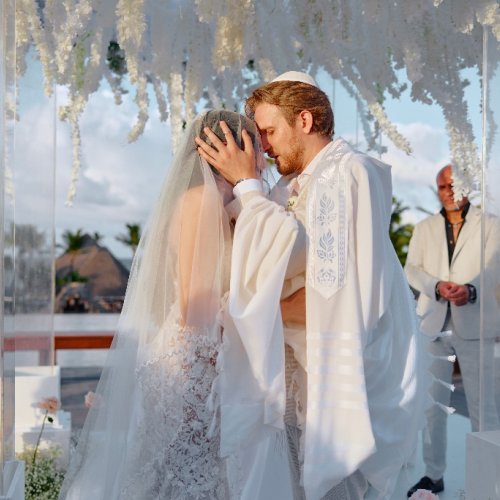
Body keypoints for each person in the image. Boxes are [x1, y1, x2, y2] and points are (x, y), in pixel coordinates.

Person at [196, 71, 427, 499]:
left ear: (304, 121)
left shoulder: (348, 172)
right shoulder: (290, 185)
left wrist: (248, 189)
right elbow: (275, 255)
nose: (263, 145)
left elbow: (330, 292)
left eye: (269, 131)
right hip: (299, 380)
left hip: (345, 384)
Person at [59, 110, 293, 499]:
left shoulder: (219, 203)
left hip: (196, 358)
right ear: (232, 147)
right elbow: (194, 306)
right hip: (191, 362)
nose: (264, 154)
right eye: (256, 143)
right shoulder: (202, 201)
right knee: (185, 476)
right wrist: (201, 388)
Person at [405, 164, 500, 497]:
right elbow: (411, 269)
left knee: (483, 406)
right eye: (442, 186)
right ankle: (434, 475)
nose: (447, 191)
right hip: (432, 323)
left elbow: (496, 270)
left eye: (453, 185)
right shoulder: (424, 228)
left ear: (467, 187)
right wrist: (435, 285)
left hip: (476, 325)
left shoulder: (492, 226)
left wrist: (470, 290)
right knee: (433, 407)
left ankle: (488, 477)